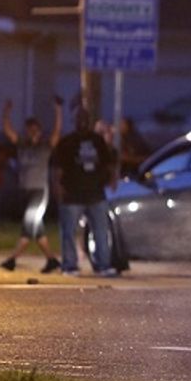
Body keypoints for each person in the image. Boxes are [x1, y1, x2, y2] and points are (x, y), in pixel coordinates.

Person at [51, 106, 118, 277]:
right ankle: (70, 266)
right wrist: (58, 188)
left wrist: (112, 180)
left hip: (96, 193)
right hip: (72, 195)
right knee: (69, 232)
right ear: (74, 121)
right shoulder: (67, 142)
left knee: (101, 232)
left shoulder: (97, 141)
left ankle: (103, 265)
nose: (82, 121)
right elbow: (58, 169)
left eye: (85, 118)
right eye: (79, 118)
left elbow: (109, 163)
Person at [0, 97, 63, 273]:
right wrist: (6, 112)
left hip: (39, 192)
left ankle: (12, 259)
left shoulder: (45, 146)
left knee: (29, 225)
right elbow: (8, 131)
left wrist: (58, 111)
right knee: (38, 227)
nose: (33, 133)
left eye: (36, 130)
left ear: (40, 131)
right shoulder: (23, 145)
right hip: (25, 191)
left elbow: (57, 132)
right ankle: (51, 260)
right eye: (30, 130)